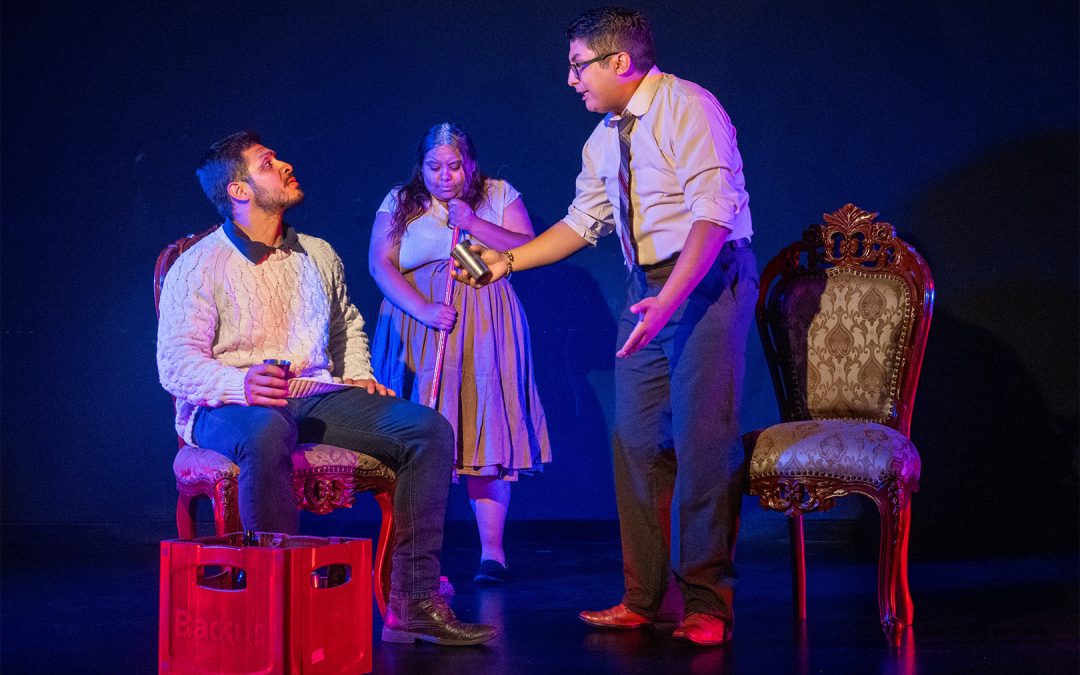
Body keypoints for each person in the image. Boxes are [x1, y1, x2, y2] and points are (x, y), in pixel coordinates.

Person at [454, 7, 757, 646]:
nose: (571, 80)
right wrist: (506, 262)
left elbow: (714, 216)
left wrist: (671, 298)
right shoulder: (602, 140)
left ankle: (707, 604)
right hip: (645, 288)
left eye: (578, 65)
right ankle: (645, 598)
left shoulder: (689, 109)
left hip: (703, 281)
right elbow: (580, 223)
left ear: (619, 61)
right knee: (636, 443)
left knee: (703, 443)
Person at [156, 130, 496, 646]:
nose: (285, 165)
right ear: (239, 191)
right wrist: (240, 382)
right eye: (267, 163)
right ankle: (276, 605)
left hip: (312, 393)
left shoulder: (317, 253)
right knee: (267, 430)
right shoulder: (199, 264)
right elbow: (176, 363)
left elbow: (345, 326)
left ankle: (414, 602)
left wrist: (357, 371)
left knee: (428, 429)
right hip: (225, 403)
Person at [369, 123, 551, 584]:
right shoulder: (399, 201)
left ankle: (492, 553)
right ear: (421, 167)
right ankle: (410, 555)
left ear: (470, 165)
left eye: (454, 166)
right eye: (434, 167)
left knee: (483, 428)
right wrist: (424, 309)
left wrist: (474, 224)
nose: (444, 176)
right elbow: (380, 263)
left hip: (487, 326)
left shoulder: (498, 194)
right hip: (419, 323)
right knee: (415, 431)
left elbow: (531, 247)